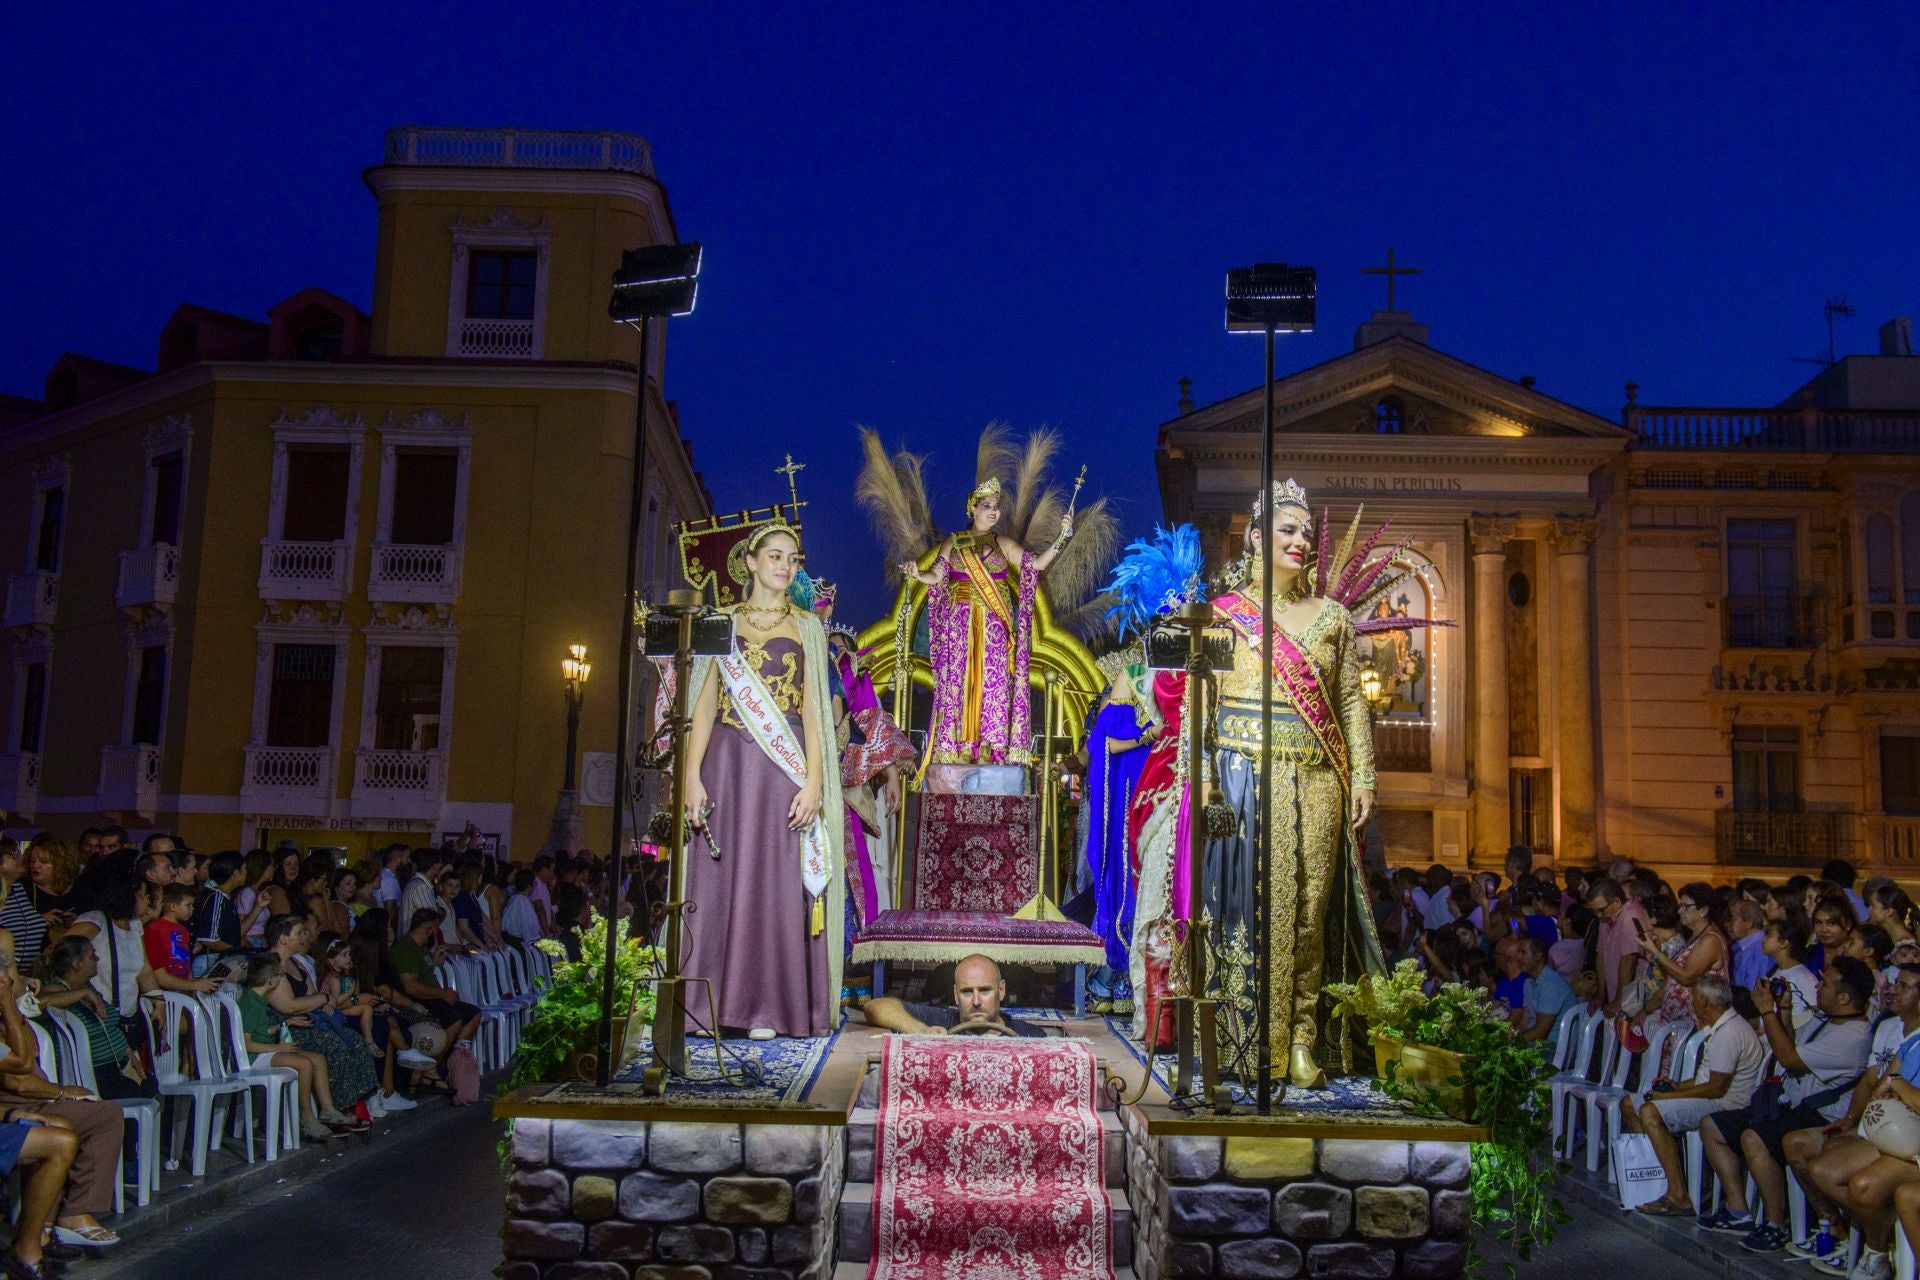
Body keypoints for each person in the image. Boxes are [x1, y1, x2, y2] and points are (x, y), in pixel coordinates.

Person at [680, 520, 846, 1039]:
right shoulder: (719, 621)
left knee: (774, 883)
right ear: (750, 562)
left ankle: (767, 1008)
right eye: (774, 556)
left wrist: (815, 782)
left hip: (785, 765)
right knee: (717, 877)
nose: (784, 565)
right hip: (726, 765)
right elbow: (704, 703)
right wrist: (690, 774)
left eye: (793, 558)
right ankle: (708, 1007)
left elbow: (817, 710)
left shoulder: (809, 629)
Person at [1699, 956, 1876, 1254]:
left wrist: (1765, 1010)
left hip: (1818, 1115)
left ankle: (1775, 1224)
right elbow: (1791, 1044)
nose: (1818, 986)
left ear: (1844, 997)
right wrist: (1782, 1009)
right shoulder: (1825, 1019)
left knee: (1754, 1137)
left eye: (1825, 983)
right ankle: (1739, 1210)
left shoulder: (1853, 1037)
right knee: (1712, 1125)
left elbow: (1790, 1059)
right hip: (1790, 1104)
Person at [898, 475, 1072, 767]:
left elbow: (1037, 564)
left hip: (993, 623)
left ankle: (990, 745)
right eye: (987, 505)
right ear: (973, 509)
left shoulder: (1002, 542)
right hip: (960, 622)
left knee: (992, 682)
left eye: (997, 506)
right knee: (962, 681)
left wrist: (1062, 536)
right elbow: (937, 576)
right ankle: (962, 746)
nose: (994, 511)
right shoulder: (953, 543)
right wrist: (918, 574)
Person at [1769, 965, 1920, 1278]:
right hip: (1894, 1133)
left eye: (1903, 986)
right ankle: (1881, 1241)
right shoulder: (1908, 1041)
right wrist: (1862, 1113)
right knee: (1824, 1170)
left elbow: (1900, 1087)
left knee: (1864, 1186)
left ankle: (1879, 1248)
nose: (1893, 990)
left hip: (1914, 1143)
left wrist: (1900, 1087)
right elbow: (1882, 1082)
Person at [0, 933, 125, 1253]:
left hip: (29, 1100)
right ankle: (47, 1228)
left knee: (102, 1113)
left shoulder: (11, 1011)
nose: (12, 976)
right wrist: (59, 1093)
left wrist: (10, 1008)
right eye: (8, 970)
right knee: (72, 1124)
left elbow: (26, 1054)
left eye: (9, 969)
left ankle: (64, 1219)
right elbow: (18, 1074)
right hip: (14, 1103)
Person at [1623, 975, 1767, 1219]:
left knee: (1650, 1111)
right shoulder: (1719, 1027)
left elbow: (1716, 1088)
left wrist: (1666, 1099)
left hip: (1724, 1104)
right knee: (1630, 1104)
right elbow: (1706, 1081)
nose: (1691, 1002)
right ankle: (1657, 1180)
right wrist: (1676, 1087)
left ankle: (1677, 1195)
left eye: (1692, 997)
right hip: (1710, 1096)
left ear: (1703, 1000)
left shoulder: (1730, 1031)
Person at [1082, 653, 1155, 998]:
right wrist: (1147, 736)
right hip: (1134, 790)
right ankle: (1119, 969)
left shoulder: (1194, 676)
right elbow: (1105, 744)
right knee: (1128, 870)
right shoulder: (1134, 675)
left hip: (1169, 787)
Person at [236, 955, 359, 1141]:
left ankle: (327, 1110)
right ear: (271, 981)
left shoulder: (258, 1000)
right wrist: (277, 1047)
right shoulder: (251, 1003)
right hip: (254, 1057)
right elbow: (245, 1043)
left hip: (264, 1050)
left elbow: (258, 1031)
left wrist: (283, 1024)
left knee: (317, 1058)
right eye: (280, 975)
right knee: (304, 1064)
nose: (281, 978)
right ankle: (307, 1118)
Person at [35, 936, 151, 1101]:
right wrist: (82, 994)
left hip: (114, 1065)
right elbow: (39, 1003)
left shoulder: (87, 985)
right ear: (77, 964)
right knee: (135, 1093)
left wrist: (126, 1050)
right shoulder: (55, 987)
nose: (97, 959)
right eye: (92, 956)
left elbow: (109, 1022)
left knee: (149, 1084)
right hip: (89, 1072)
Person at [861, 954, 1048, 1038]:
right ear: (955, 995)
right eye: (967, 992)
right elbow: (875, 1007)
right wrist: (921, 1031)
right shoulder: (940, 1021)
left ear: (1001, 990)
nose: (976, 1001)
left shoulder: (1029, 1034)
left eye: (984, 991)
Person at [389, 909, 483, 1058]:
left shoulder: (422, 947)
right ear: (428, 929)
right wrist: (444, 994)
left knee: (473, 1013)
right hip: (420, 999)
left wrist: (434, 964)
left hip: (434, 995)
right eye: (434, 929)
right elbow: (411, 987)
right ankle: (434, 1067)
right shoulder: (406, 949)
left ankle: (456, 1060)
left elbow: (422, 972)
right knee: (454, 1020)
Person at [1642, 882, 1729, 1041]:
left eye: (1685, 906)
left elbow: (1687, 977)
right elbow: (1673, 979)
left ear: (1703, 910)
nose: (1680, 911)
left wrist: (1655, 952)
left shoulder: (1711, 940)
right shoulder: (1695, 936)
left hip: (1694, 1026)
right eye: (1680, 905)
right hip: (1677, 1025)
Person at [1584, 878, 1648, 1014]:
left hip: (1634, 998)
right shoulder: (1605, 917)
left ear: (1617, 901)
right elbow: (1600, 955)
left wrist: (1619, 1001)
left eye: (1601, 910)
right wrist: (1600, 996)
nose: (1598, 915)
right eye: (1594, 911)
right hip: (1614, 992)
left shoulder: (1630, 917)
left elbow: (1628, 961)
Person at [1514, 936, 1578, 1051]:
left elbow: (1540, 1032)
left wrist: (1511, 1044)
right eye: (1518, 952)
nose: (1518, 957)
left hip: (1555, 1049)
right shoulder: (1529, 983)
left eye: (1523, 952)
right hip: (1539, 1044)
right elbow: (1524, 1022)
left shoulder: (1551, 983)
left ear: (1538, 956)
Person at [190, 850, 246, 977]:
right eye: (245, 869)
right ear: (236, 873)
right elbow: (209, 939)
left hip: (219, 960)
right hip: (210, 962)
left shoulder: (223, 898)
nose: (247, 873)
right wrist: (237, 952)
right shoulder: (216, 898)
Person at [0, 841, 48, 976]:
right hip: (8, 979)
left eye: (19, 853)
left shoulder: (20, 889)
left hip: (31, 978)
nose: (21, 858)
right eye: (14, 854)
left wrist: (42, 918)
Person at [142, 884, 196, 981]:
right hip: (164, 988)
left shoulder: (184, 930)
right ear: (173, 906)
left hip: (184, 986)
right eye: (188, 905)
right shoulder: (154, 927)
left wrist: (192, 985)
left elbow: (187, 962)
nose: (192, 908)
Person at [1727, 898, 1775, 995]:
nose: (1729, 924)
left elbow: (1755, 993)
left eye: (1732, 919)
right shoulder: (1742, 948)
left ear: (1749, 922)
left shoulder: (1761, 951)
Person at [501, 869, 541, 949]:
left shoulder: (513, 898)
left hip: (511, 941)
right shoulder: (523, 901)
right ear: (529, 886)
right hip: (519, 944)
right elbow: (527, 926)